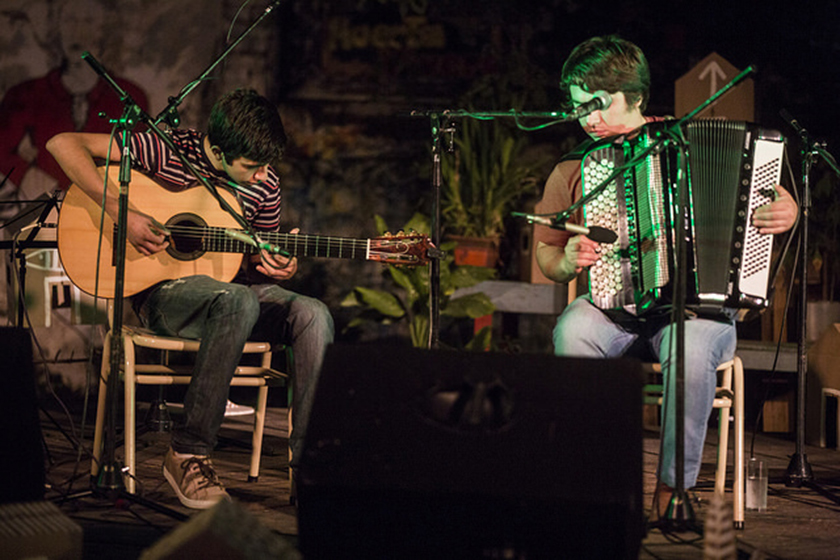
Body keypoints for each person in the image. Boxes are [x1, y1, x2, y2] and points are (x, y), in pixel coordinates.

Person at [533, 35, 798, 518]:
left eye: (596, 105)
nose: (586, 118)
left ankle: (673, 491)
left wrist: (788, 210)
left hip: (698, 311)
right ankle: (589, 480)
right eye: (578, 108)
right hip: (614, 312)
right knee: (572, 328)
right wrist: (567, 261)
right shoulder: (573, 166)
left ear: (634, 96)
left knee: (690, 346)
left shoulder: (690, 140)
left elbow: (769, 193)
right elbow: (547, 257)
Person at [47, 88, 335, 509]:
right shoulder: (166, 152)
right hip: (166, 293)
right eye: (252, 166)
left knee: (313, 313)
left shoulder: (265, 183)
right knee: (239, 301)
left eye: (267, 166)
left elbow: (249, 262)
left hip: (235, 294)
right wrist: (118, 209)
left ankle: (309, 467)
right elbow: (62, 143)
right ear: (217, 151)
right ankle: (188, 453)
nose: (263, 176)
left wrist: (275, 265)